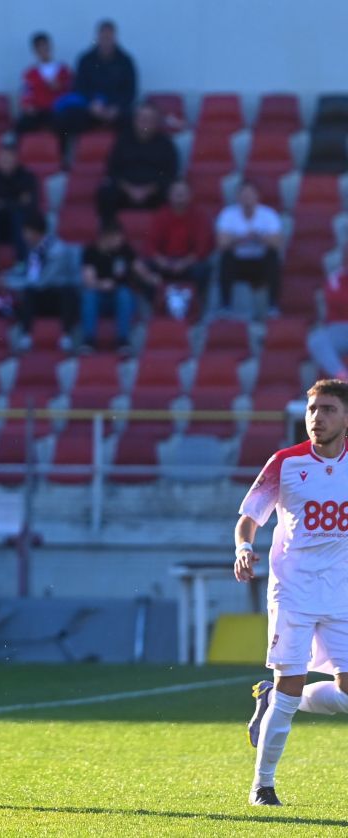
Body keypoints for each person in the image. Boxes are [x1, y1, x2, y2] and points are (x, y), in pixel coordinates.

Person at [236, 379, 348, 807]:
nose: (317, 418)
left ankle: (274, 699)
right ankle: (262, 786)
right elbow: (249, 517)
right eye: (313, 409)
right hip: (294, 592)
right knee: (290, 686)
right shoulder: (285, 462)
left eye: (328, 409)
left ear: (346, 417)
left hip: (341, 593)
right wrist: (243, 548)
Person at [2, 209, 81, 350]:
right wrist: (5, 277)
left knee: (67, 293)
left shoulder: (57, 250)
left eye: (26, 232)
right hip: (43, 295)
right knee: (27, 295)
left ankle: (66, 336)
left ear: (34, 232)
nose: (23, 236)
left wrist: (8, 283)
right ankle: (26, 336)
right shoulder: (34, 250)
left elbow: (42, 281)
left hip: (60, 296)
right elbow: (29, 274)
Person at [79, 220, 158, 354]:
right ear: (106, 236)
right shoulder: (90, 252)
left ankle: (123, 341)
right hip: (100, 297)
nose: (120, 240)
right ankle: (88, 341)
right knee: (89, 296)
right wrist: (101, 284)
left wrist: (150, 277)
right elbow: (88, 280)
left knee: (124, 293)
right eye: (117, 237)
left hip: (121, 298)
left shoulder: (125, 249)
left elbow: (138, 267)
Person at [55, 20, 137, 141]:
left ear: (115, 38)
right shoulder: (85, 59)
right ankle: (69, 152)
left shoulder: (126, 61)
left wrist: (117, 107)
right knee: (66, 118)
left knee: (134, 120)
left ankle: (126, 152)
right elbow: (79, 86)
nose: (106, 41)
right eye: (103, 37)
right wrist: (91, 104)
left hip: (116, 109)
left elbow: (130, 91)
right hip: (91, 108)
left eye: (109, 37)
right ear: (97, 37)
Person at [96, 103, 178, 222]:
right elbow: (112, 170)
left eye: (150, 120)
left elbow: (170, 174)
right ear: (135, 121)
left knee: (173, 194)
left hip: (154, 193)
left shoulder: (166, 145)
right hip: (124, 191)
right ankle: (110, 230)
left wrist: (147, 190)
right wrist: (130, 189)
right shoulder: (122, 141)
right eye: (142, 119)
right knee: (105, 192)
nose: (145, 123)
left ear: (157, 122)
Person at [145, 181, 214, 319]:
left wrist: (184, 263)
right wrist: (163, 262)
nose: (180, 197)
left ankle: (195, 308)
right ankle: (158, 307)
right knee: (144, 269)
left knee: (203, 269)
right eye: (176, 193)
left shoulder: (199, 216)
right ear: (169, 195)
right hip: (165, 263)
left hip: (189, 263)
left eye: (183, 193)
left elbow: (202, 248)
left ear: (190, 195)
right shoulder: (161, 216)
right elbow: (151, 246)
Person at [216, 180, 283, 318]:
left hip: (260, 262)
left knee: (273, 256)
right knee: (225, 257)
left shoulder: (268, 215)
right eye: (243, 194)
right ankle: (225, 306)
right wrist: (241, 238)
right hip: (238, 262)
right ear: (237, 197)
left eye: (250, 194)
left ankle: (272, 306)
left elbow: (277, 243)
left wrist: (258, 237)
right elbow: (222, 244)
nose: (247, 197)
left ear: (257, 196)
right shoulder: (227, 214)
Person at [0, 134, 40, 275]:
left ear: (16, 158)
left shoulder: (27, 177)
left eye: (9, 157)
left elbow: (31, 205)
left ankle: (21, 262)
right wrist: (17, 201)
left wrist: (3, 203)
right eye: (2, 157)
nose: (5, 161)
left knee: (18, 216)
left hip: (20, 226)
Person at [14, 32, 73, 149]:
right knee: (21, 125)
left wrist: (60, 87)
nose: (43, 49)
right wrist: (27, 106)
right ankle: (19, 155)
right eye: (39, 47)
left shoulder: (63, 70)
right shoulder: (30, 73)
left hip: (56, 111)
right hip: (37, 111)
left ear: (50, 47)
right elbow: (26, 93)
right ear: (35, 51)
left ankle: (62, 156)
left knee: (64, 125)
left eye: (45, 45)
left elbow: (71, 90)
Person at [308, 262, 348, 379]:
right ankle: (343, 378)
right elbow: (337, 300)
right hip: (338, 328)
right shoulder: (335, 277)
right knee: (317, 340)